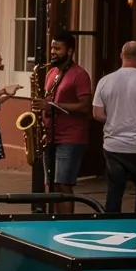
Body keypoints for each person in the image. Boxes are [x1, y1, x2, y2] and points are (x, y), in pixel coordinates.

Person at [93, 42, 136, 214]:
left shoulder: (105, 81)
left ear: (121, 55)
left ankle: (112, 226)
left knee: (114, 189)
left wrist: (116, 119)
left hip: (114, 146)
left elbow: (97, 114)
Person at [42, 31, 92, 214]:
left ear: (70, 51)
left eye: (57, 48)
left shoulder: (80, 75)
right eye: (52, 47)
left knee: (63, 183)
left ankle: (67, 223)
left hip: (71, 136)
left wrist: (53, 106)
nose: (53, 51)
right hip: (49, 135)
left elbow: (86, 106)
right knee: (51, 184)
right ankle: (52, 221)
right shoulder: (51, 72)